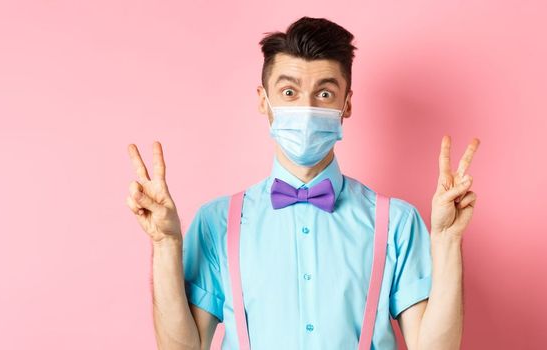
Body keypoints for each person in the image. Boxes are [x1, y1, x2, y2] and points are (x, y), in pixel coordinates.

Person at [125, 16, 478, 350]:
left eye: (324, 94)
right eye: (289, 93)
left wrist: (447, 241)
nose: (306, 109)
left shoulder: (397, 222)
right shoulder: (217, 222)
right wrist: (166, 243)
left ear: (347, 104)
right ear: (264, 102)